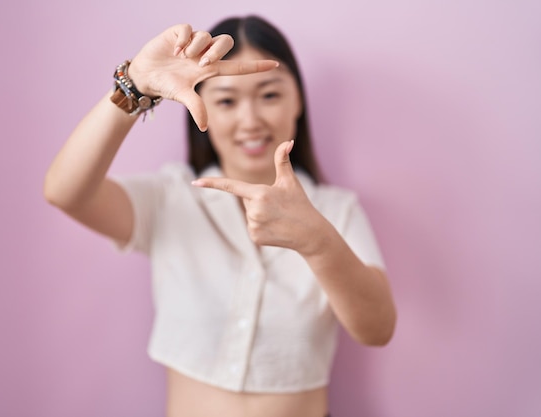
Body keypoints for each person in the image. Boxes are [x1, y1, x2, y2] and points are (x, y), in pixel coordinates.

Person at [44, 15, 396, 417]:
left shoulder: (337, 211)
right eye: (227, 100)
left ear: (298, 100)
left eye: (269, 95)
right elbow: (64, 191)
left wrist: (317, 241)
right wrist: (134, 85)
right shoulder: (170, 198)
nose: (251, 121)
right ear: (200, 105)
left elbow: (377, 328)